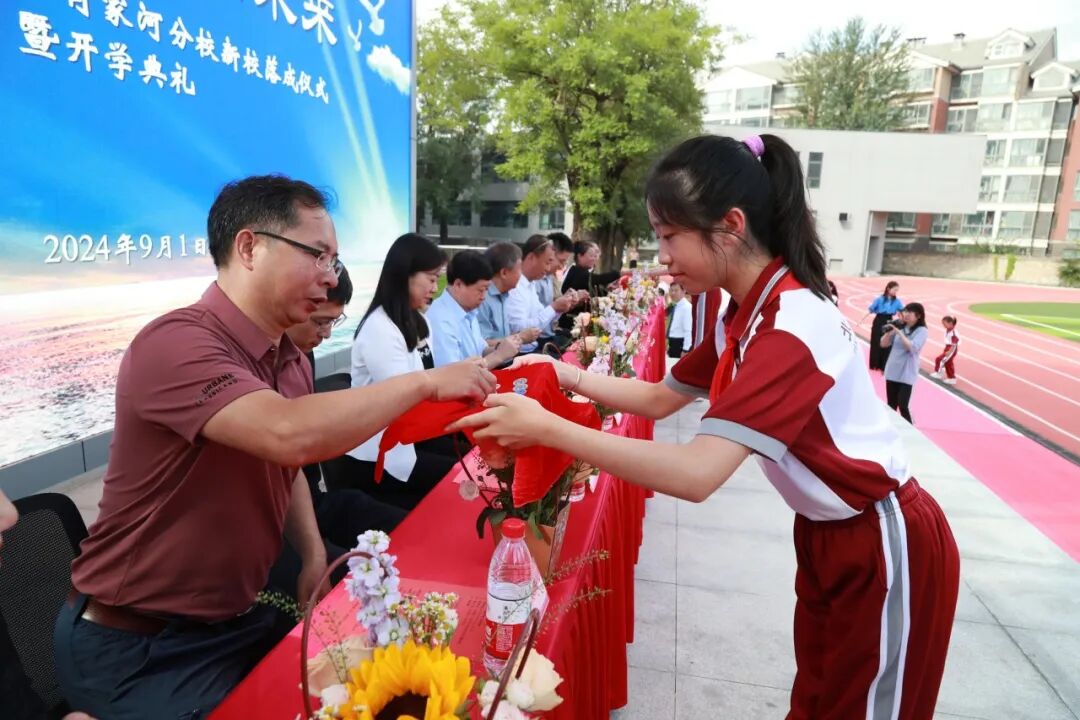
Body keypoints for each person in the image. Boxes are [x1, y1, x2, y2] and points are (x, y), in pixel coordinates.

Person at [452, 135, 959, 720]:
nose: (662, 256)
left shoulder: (790, 325)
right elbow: (658, 398)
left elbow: (698, 473)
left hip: (880, 540)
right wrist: (564, 375)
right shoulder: (745, 312)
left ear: (731, 226)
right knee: (818, 702)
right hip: (829, 534)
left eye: (670, 236)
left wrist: (548, 428)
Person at [54, 176, 495, 720]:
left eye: (334, 260)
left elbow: (286, 464)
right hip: (137, 647)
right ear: (249, 248)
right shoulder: (176, 343)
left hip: (233, 623)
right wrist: (426, 383)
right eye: (317, 255)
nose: (330, 276)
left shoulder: (287, 357)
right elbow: (287, 433)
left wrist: (312, 554)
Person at [341, 233, 470, 511]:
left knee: (471, 456)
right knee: (461, 475)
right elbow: (404, 396)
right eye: (431, 279)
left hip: (411, 433)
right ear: (404, 275)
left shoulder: (419, 320)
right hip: (377, 450)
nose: (435, 288)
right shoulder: (379, 328)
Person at [426, 250, 521, 368]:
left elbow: (481, 350)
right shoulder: (441, 320)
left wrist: (503, 348)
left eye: (487, 289)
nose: (484, 296)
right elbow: (452, 374)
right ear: (458, 285)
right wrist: (499, 355)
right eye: (481, 290)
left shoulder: (468, 311)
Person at [508, 235, 579, 353]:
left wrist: (561, 307)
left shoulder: (530, 283)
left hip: (533, 347)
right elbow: (521, 330)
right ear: (531, 258)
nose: (548, 268)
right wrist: (554, 307)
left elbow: (543, 319)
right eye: (547, 262)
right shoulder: (515, 285)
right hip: (520, 352)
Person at [478, 242, 541, 349]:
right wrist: (520, 338)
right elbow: (482, 345)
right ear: (504, 273)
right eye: (519, 269)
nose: (521, 274)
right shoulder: (482, 299)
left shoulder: (505, 295)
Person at [882, 302, 929, 424]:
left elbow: (912, 347)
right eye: (905, 311)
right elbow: (883, 344)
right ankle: (890, 429)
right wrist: (889, 333)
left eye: (910, 312)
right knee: (891, 405)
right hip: (893, 370)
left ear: (918, 316)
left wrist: (899, 332)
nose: (906, 314)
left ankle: (910, 430)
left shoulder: (922, 331)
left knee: (903, 405)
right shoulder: (900, 326)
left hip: (907, 372)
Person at [867, 281, 904, 372]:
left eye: (897, 290)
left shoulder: (897, 301)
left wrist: (901, 315)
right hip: (879, 320)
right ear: (888, 289)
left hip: (889, 320)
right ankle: (875, 364)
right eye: (894, 290)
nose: (895, 292)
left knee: (887, 342)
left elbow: (902, 310)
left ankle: (883, 365)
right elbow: (871, 308)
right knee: (876, 341)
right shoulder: (879, 299)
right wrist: (873, 309)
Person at [930, 316, 959, 386]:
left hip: (951, 349)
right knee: (948, 363)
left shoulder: (953, 333)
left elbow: (954, 344)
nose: (943, 325)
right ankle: (951, 378)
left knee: (939, 359)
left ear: (950, 323)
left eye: (944, 324)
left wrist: (949, 351)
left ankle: (939, 373)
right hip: (947, 347)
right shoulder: (948, 330)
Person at [666, 281, 692, 358]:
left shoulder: (687, 307)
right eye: (671, 290)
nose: (673, 293)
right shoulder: (674, 305)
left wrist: (685, 350)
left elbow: (688, 330)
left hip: (679, 343)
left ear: (683, 291)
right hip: (672, 342)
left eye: (676, 290)